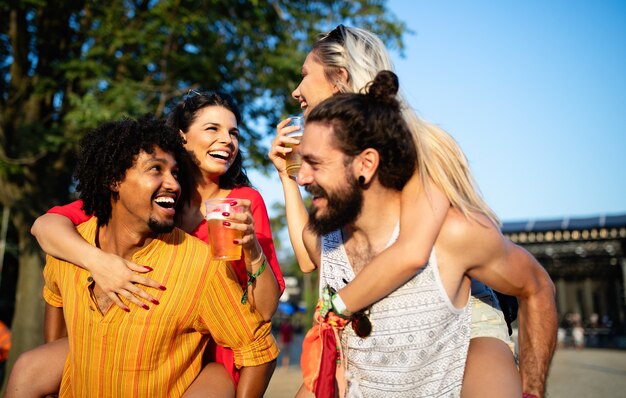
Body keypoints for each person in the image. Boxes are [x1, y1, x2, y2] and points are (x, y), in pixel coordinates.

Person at [269, 25, 533, 396]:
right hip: (377, 322)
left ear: (339, 77)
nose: (296, 91)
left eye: (304, 75)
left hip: (456, 317)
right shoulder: (340, 161)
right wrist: (287, 176)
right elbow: (311, 257)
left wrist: (334, 309)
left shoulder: (420, 141)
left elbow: (411, 252)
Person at [10, 92, 284, 397]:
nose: (227, 140)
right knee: (28, 369)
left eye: (233, 133)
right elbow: (48, 228)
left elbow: (263, 318)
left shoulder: (242, 203)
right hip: (138, 339)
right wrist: (100, 263)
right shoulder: (140, 202)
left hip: (215, 350)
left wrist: (252, 250)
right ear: (181, 138)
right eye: (213, 129)